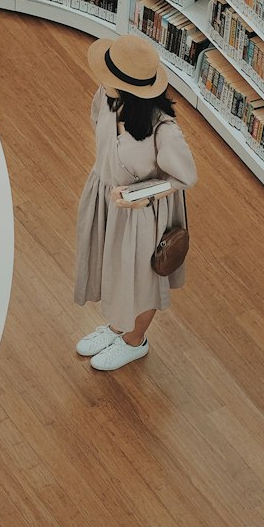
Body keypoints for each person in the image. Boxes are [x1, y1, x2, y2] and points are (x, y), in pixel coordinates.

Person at [74, 32, 197, 371]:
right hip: (106, 196)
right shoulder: (106, 96)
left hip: (141, 214)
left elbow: (184, 178)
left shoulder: (165, 132)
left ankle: (134, 341)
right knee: (115, 271)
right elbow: (98, 127)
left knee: (141, 280)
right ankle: (116, 328)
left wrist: (139, 194)